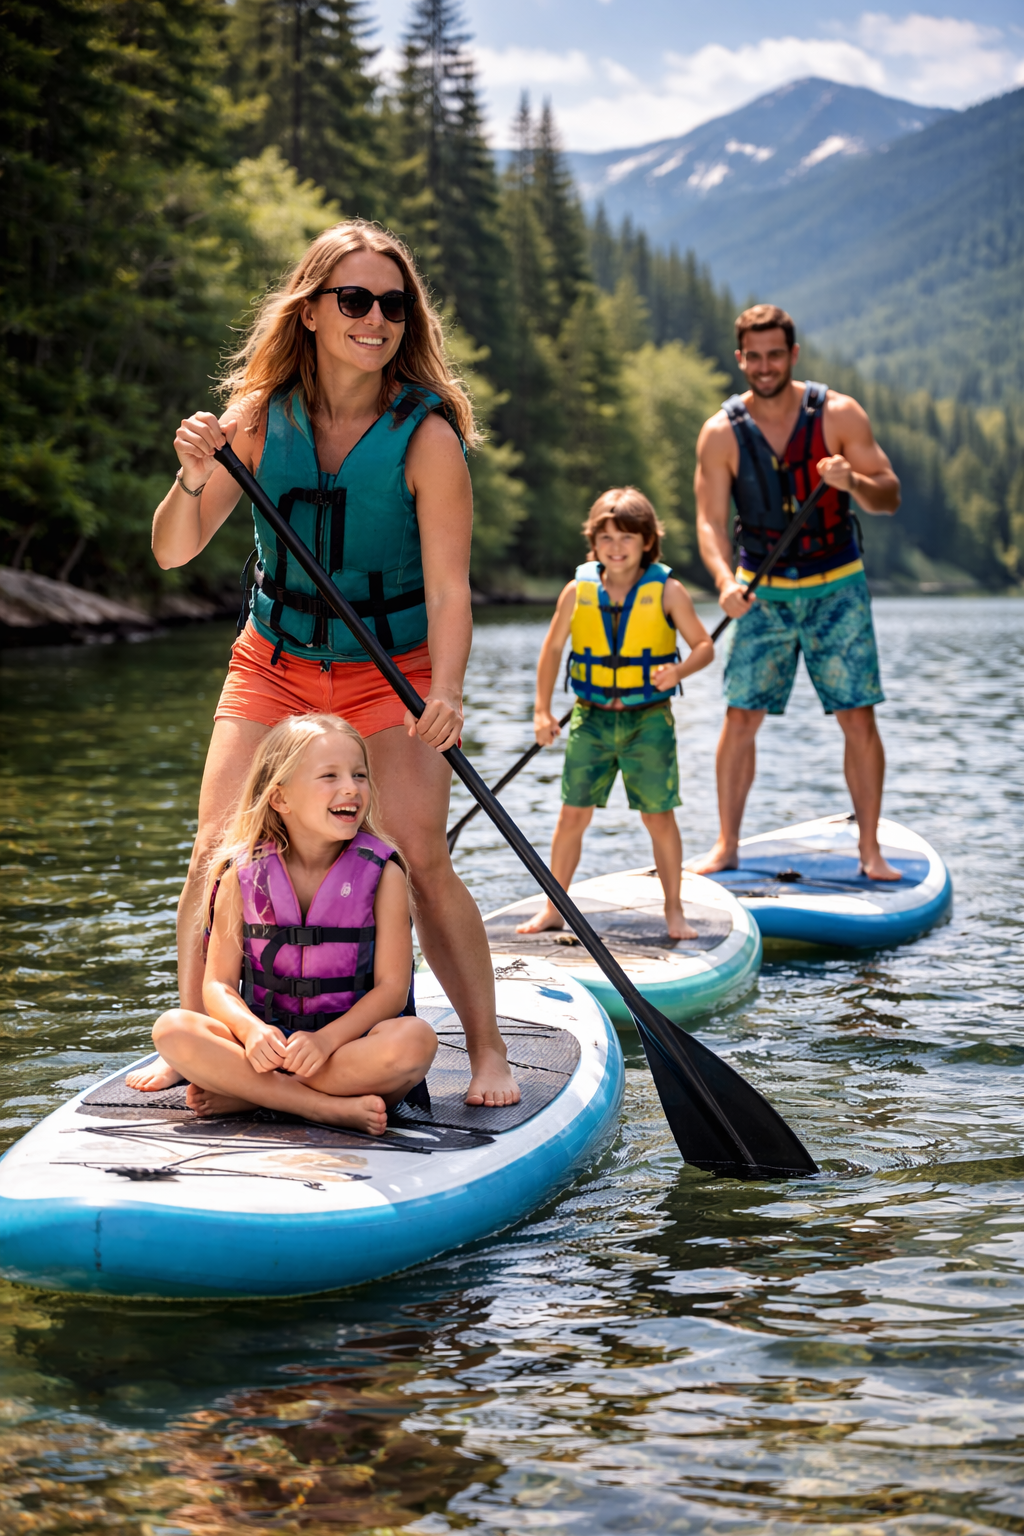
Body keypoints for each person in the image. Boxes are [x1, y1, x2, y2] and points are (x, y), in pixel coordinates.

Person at [146, 220, 517, 1107]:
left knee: (421, 855)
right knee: (214, 852)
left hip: (393, 668)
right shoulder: (257, 422)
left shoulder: (428, 441)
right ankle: (197, 1035)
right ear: (311, 311)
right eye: (354, 300)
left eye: (393, 304)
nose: (375, 318)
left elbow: (452, 591)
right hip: (273, 661)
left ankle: (492, 1050)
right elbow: (172, 550)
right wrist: (191, 475)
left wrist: (448, 693)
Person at [128, 714, 437, 1132]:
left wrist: (326, 1041)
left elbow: (391, 990)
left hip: (345, 1048)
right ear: (280, 798)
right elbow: (217, 986)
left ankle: (248, 1094)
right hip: (264, 1049)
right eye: (329, 775)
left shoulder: (385, 873)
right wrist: (252, 1033)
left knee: (415, 1041)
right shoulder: (240, 874)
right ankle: (320, 1106)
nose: (351, 787)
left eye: (360, 775)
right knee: (173, 1029)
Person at [691, 304, 902, 879]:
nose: (764, 366)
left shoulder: (838, 414)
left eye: (775, 355)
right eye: (753, 357)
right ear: (740, 359)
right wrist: (722, 579)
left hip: (838, 587)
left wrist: (851, 481)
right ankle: (726, 844)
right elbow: (708, 523)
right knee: (740, 718)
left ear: (793, 355)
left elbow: (888, 496)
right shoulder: (721, 433)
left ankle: (870, 850)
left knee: (858, 717)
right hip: (762, 594)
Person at [516, 488, 714, 939]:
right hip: (592, 718)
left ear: (647, 541)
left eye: (626, 537)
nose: (616, 547)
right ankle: (553, 908)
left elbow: (704, 647)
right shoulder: (577, 591)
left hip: (649, 720)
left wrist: (679, 669)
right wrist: (542, 711)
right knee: (572, 815)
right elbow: (551, 651)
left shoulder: (668, 591)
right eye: (605, 537)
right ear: (593, 542)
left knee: (658, 817)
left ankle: (674, 911)